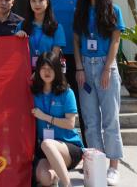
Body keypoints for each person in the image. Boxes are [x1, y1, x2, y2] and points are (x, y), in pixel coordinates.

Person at [73, 0, 125, 186]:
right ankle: (97, 165)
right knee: (90, 120)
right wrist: (79, 68)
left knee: (110, 119)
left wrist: (107, 68)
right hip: (85, 66)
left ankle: (114, 167)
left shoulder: (113, 10)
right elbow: (76, 41)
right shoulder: (81, 11)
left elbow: (115, 41)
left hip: (106, 66)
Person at [31, 52, 84, 187]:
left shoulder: (67, 93)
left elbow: (70, 124)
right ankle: (56, 173)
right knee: (45, 179)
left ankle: (67, 184)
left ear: (57, 70)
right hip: (45, 151)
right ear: (38, 70)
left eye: (50, 68)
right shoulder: (34, 93)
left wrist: (44, 117)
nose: (47, 72)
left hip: (68, 147)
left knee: (47, 144)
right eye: (43, 68)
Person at [48, 0, 83, 107]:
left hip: (80, 56)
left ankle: (84, 124)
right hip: (55, 55)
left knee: (82, 100)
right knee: (57, 99)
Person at [16, 0, 66, 69]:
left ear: (47, 2)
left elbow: (54, 57)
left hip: (47, 71)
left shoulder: (56, 27)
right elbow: (16, 54)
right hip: (25, 72)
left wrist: (38, 73)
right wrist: (17, 37)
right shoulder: (21, 26)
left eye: (40, 0)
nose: (37, 4)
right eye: (33, 0)